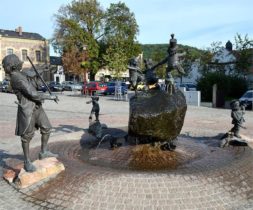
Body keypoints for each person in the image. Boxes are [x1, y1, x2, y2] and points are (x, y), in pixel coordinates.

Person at [2, 54, 58, 172]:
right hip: (27, 109)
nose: (3, 67)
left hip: (36, 107)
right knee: (26, 137)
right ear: (13, 65)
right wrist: (49, 96)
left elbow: (35, 84)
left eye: (4, 65)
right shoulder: (16, 78)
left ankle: (44, 152)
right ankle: (27, 162)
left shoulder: (21, 74)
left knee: (47, 128)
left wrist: (39, 73)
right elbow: (32, 93)